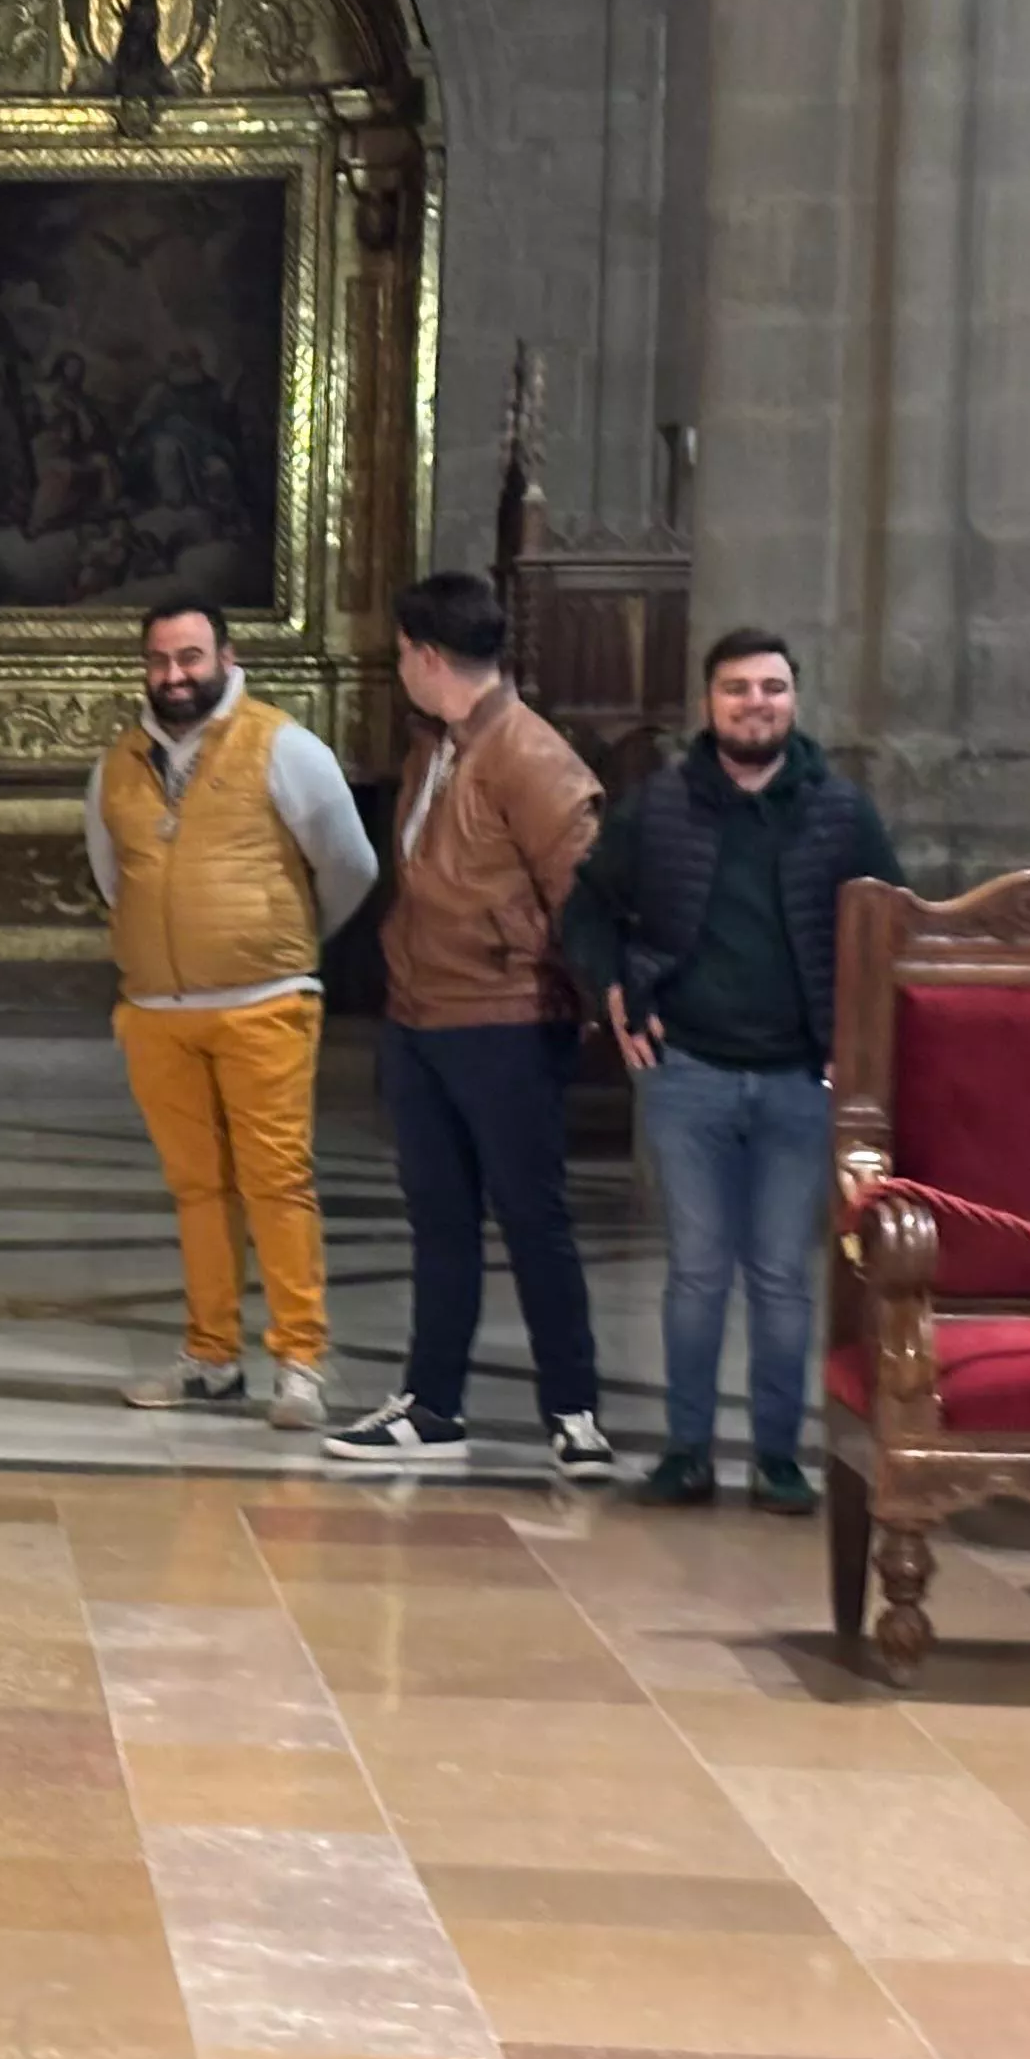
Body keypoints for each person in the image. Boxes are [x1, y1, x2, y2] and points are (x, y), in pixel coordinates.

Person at [562, 630, 903, 1510]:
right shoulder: (659, 806)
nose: (757, 703)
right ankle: (686, 1451)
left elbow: (889, 932)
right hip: (689, 1071)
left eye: (773, 688)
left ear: (795, 699)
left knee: (783, 1275)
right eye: (738, 689)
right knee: (698, 1269)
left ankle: (779, 1458)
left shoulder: (841, 812)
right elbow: (588, 909)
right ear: (707, 704)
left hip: (800, 1078)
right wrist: (614, 992)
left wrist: (858, 1035)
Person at [326, 569, 620, 1478]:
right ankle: (432, 1403)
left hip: (505, 1017)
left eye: (399, 655)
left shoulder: (531, 755)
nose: (397, 670)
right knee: (440, 1217)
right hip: (420, 1013)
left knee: (532, 1217)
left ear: (426, 657)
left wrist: (603, 999)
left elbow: (586, 896)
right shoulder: (439, 745)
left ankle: (574, 1410)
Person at [89, 600, 379, 1430]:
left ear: (227, 655)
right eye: (159, 660)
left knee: (278, 1183)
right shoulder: (117, 764)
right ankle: (211, 1357)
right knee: (197, 1189)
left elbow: (350, 865)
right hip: (157, 1012)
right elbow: (114, 879)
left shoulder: (285, 746)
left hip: (263, 1004)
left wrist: (278, 942)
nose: (174, 675)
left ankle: (300, 1362)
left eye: (190, 657)